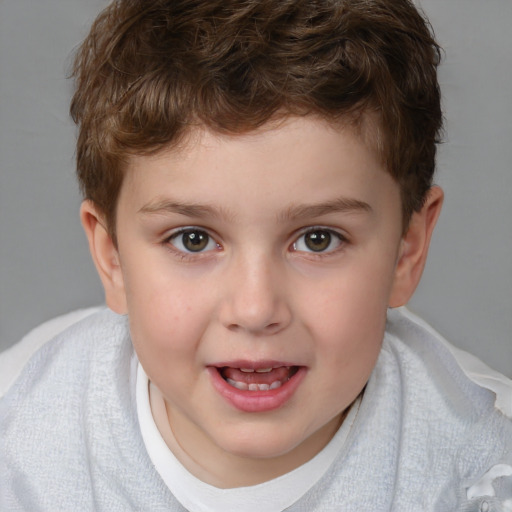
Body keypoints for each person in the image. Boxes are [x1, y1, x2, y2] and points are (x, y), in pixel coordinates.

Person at [1, 0, 511, 510]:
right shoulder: (21, 438)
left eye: (318, 239)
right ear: (112, 256)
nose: (255, 309)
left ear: (407, 249)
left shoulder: (479, 470)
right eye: (193, 239)